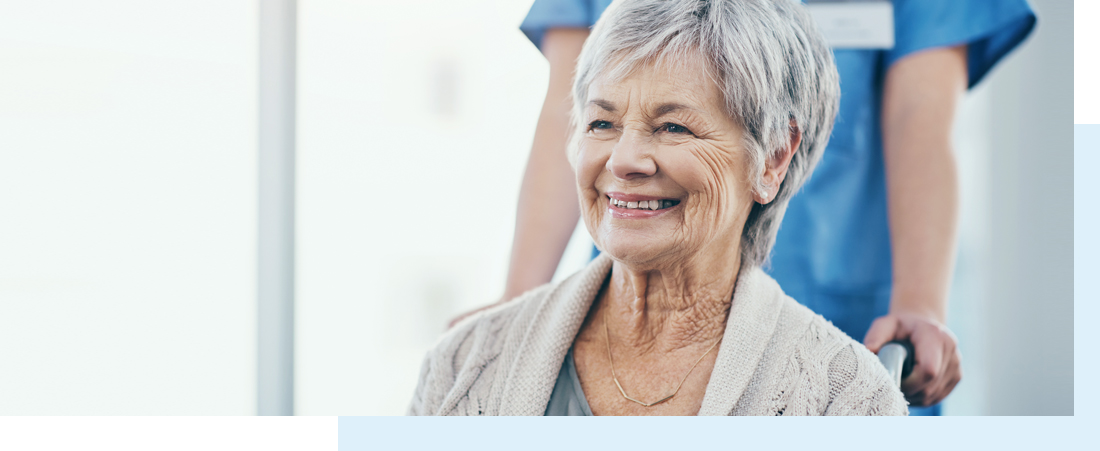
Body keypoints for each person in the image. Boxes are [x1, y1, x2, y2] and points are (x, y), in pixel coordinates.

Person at [451, 0, 1036, 415]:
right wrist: (517, 312)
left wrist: (918, 306)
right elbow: (571, 114)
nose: (627, 154)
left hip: (849, 314)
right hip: (643, 293)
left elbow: (922, 122)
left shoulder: (853, 393)